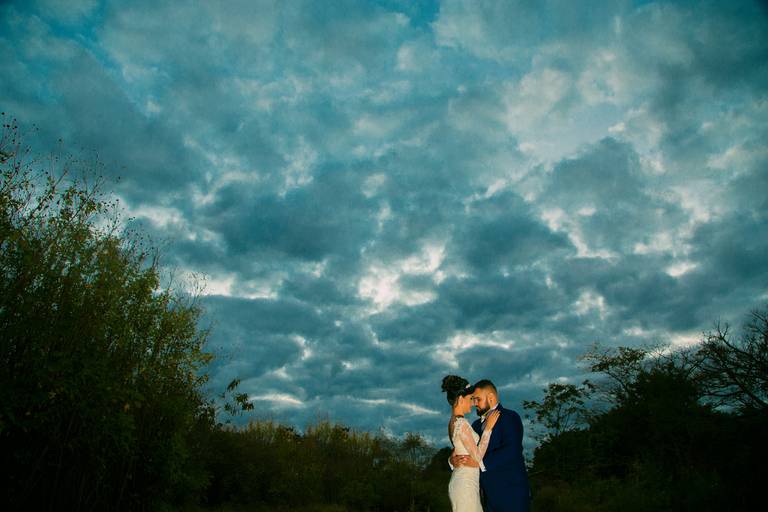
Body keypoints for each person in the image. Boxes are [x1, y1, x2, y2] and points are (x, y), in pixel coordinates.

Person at [450, 379, 530, 512]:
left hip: (511, 494)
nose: (474, 403)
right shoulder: (474, 425)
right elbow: (465, 448)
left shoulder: (510, 417)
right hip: (485, 498)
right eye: (473, 399)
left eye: (478, 399)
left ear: (491, 397)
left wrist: (478, 462)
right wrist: (452, 460)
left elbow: (512, 450)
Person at [442, 375, 500, 512]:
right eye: (470, 399)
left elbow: (456, 452)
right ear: (461, 399)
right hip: (465, 485)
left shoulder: (453, 422)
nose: (473, 403)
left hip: (466, 482)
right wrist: (488, 429)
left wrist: (451, 460)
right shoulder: (462, 424)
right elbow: (478, 456)